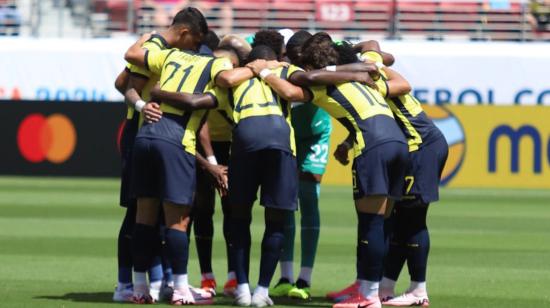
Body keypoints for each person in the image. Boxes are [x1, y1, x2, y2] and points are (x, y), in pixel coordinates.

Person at [250, 32, 409, 308]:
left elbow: (290, 90)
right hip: (398, 142)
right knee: (380, 223)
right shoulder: (358, 78)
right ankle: (370, 288)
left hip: (372, 145)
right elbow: (373, 52)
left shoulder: (322, 83)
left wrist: (264, 72)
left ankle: (369, 296)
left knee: (371, 223)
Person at [122, 6, 258, 304]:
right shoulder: (215, 67)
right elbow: (224, 82)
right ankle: (182, 289)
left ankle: (139, 288)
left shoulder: (170, 55)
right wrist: (254, 68)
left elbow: (132, 55)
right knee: (177, 221)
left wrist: (150, 39)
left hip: (145, 134)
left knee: (144, 217)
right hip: (176, 139)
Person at [112, 22, 199, 303]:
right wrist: (142, 106)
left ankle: (159, 281)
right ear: (185, 32)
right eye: (194, 41)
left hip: (156, 137)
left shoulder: (170, 53)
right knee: (138, 211)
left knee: (160, 213)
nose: (195, 49)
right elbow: (122, 83)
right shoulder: (155, 47)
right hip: (142, 134)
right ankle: (126, 283)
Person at [359, 45, 449, 308]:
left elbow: (403, 85)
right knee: (399, 219)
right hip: (413, 149)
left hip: (421, 147)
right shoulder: (371, 76)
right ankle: (387, 286)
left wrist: (375, 67)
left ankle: (418, 290)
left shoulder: (375, 80)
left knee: (413, 218)